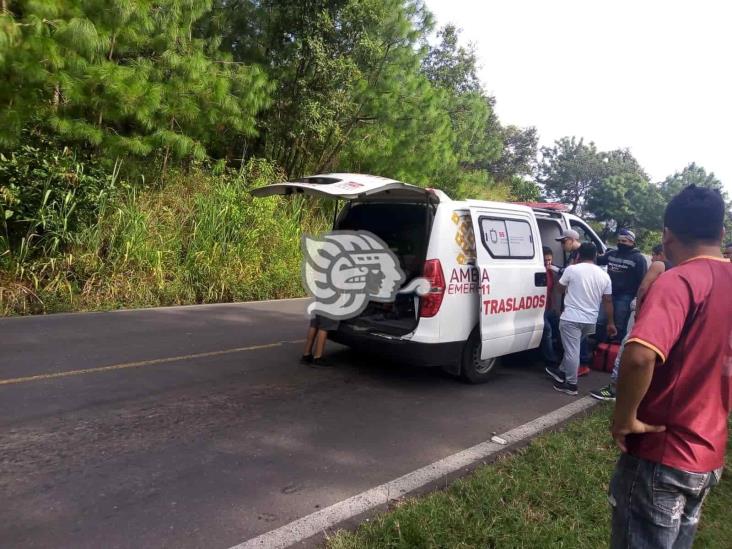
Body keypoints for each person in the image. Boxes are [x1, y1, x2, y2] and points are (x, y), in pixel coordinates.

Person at [609, 185, 732, 548]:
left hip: (661, 453)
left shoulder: (678, 281)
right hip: (708, 455)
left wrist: (625, 418)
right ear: (721, 232)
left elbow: (640, 355)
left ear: (666, 233)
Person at [590, 244, 670, 401]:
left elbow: (643, 288)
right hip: (665, 319)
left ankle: (613, 388)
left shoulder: (659, 265)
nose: (652, 259)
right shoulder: (680, 267)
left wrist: (639, 310)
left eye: (653, 255)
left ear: (660, 254)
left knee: (625, 350)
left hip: (650, 316)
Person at [545, 243, 617, 395]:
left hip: (571, 318)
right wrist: (610, 323)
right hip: (590, 321)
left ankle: (571, 385)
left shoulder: (572, 269)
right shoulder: (604, 275)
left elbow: (559, 289)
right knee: (573, 347)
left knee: (572, 350)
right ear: (595, 256)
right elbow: (608, 301)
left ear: (578, 255)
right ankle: (562, 372)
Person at [596, 229, 648, 342]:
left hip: (625, 296)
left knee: (619, 324)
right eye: (619, 241)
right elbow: (597, 260)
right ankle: (598, 347)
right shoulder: (611, 254)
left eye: (624, 241)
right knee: (600, 321)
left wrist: (638, 299)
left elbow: (643, 280)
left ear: (632, 242)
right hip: (608, 294)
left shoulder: (638, 259)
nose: (620, 243)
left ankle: (614, 350)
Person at [555, 228, 592, 376]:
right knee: (575, 338)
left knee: (579, 338)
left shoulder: (583, 254)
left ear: (571, 240)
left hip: (579, 302)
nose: (562, 245)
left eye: (564, 242)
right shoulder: (575, 254)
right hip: (572, 300)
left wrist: (556, 269)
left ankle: (581, 365)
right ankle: (572, 365)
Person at [540, 246, 560, 367]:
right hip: (539, 309)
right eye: (545, 260)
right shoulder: (539, 272)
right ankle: (550, 360)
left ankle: (560, 352)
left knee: (560, 324)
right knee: (547, 330)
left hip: (548, 307)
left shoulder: (550, 272)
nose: (548, 263)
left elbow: (551, 292)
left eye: (549, 260)